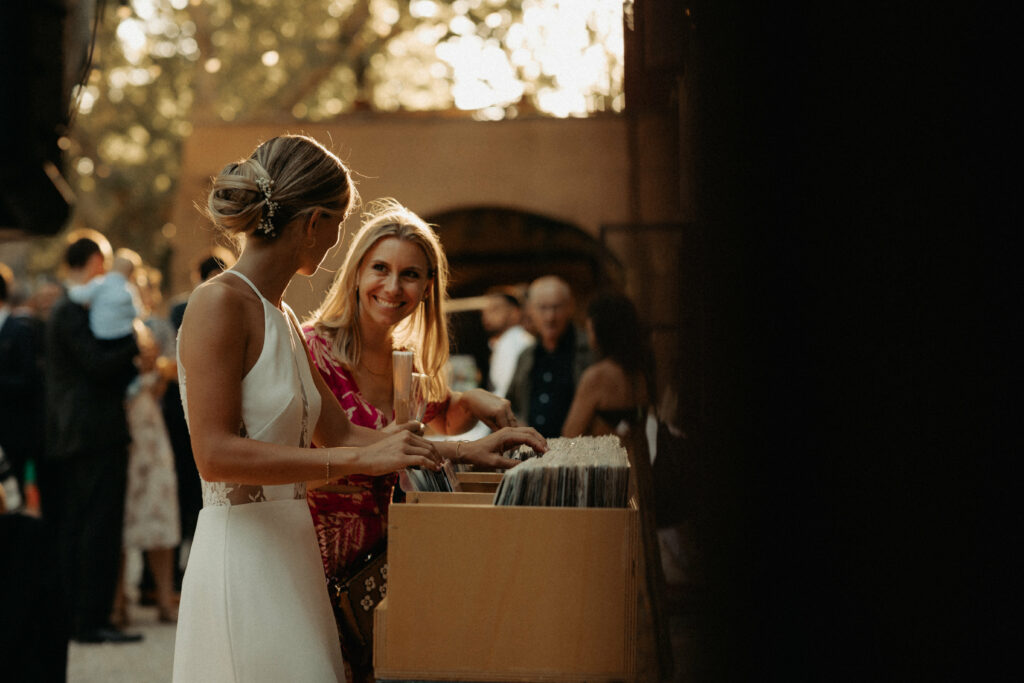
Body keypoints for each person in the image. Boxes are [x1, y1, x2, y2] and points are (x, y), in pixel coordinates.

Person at [172, 135, 539, 682]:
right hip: (241, 559)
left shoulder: (285, 319)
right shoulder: (218, 302)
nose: (337, 239)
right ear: (315, 221)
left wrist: (465, 449)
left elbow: (344, 432)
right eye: (341, 222)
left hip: (295, 555)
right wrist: (352, 465)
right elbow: (215, 455)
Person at [302, 198, 547, 682]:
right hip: (316, 561)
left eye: (410, 275)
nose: (393, 287)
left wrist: (469, 400)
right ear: (354, 272)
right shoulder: (313, 348)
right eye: (380, 268)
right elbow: (366, 445)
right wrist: (463, 450)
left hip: (387, 563)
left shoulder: (403, 360)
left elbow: (430, 422)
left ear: (428, 287)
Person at [43, 230, 146, 644]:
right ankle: (88, 620)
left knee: (88, 526)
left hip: (84, 433)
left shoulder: (70, 307)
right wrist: (134, 345)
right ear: (96, 263)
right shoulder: (71, 309)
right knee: (94, 528)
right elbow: (96, 364)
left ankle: (85, 617)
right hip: (91, 433)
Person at [113, 262, 181, 626]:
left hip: (149, 429)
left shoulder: (153, 329)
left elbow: (161, 383)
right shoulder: (108, 328)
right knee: (121, 514)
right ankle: (118, 600)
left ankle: (164, 596)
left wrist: (153, 375)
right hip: (121, 430)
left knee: (159, 509)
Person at [506, 275, 592, 437]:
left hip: (580, 453)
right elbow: (511, 405)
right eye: (543, 308)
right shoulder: (526, 355)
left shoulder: (589, 349)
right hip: (534, 455)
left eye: (556, 307)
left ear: (570, 307)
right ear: (530, 310)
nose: (550, 317)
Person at [561, 291, 655, 438]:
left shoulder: (597, 376)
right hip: (636, 459)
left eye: (589, 328)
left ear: (598, 329)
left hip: (605, 458)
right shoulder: (643, 371)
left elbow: (570, 434)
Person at [67, 249, 142, 343]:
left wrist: (72, 287)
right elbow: (136, 312)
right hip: (123, 334)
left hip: (101, 334)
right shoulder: (130, 290)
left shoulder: (100, 283)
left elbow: (79, 295)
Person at [481, 286, 533, 399]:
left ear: (514, 313)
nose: (487, 315)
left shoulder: (513, 344)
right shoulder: (505, 341)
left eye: (495, 309)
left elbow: (506, 393)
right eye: (485, 311)